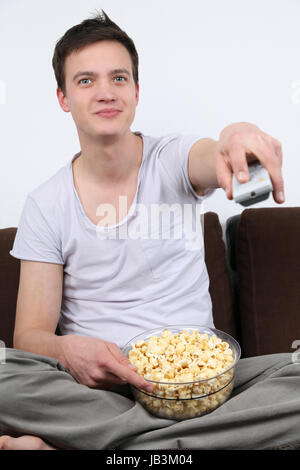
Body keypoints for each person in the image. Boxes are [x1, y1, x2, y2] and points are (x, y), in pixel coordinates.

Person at [0, 10, 298, 451]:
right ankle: (192, 446)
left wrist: (237, 134)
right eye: (86, 81)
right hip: (101, 391)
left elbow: (210, 154)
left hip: (206, 388)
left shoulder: (172, 159)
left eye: (119, 78)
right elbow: (29, 337)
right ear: (63, 97)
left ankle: (112, 447)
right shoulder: (46, 204)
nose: (105, 92)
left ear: (136, 92)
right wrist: (69, 351)